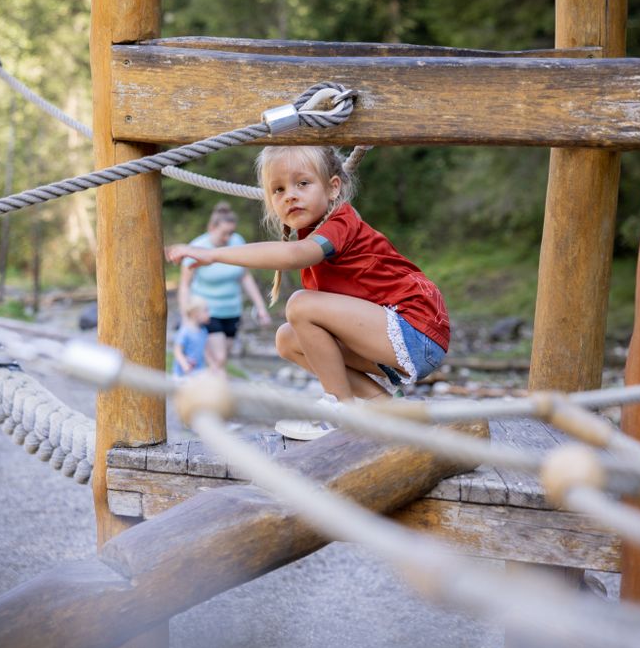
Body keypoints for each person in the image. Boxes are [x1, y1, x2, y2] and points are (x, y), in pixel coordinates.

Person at [166, 146, 449, 440]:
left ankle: (339, 409)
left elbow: (291, 256)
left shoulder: (340, 223)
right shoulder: (313, 234)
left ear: (332, 188)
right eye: (278, 189)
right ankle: (386, 406)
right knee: (287, 339)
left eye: (302, 183)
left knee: (301, 304)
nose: (290, 195)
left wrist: (213, 255)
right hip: (398, 337)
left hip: (417, 330)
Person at [178, 202, 271, 374]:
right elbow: (185, 285)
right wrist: (186, 317)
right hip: (206, 311)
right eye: (224, 233)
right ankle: (217, 396)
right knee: (218, 358)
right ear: (212, 228)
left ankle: (205, 390)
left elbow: (245, 277)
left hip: (232, 311)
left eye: (231, 232)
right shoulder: (196, 248)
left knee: (220, 360)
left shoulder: (237, 242)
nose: (228, 237)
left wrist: (260, 307)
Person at [173, 295, 211, 378]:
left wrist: (211, 365)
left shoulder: (203, 331)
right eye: (206, 310)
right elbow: (177, 351)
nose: (209, 314)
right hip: (183, 374)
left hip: (198, 371)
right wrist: (185, 365)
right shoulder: (185, 332)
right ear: (195, 314)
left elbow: (204, 350)